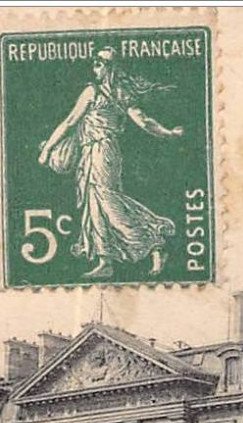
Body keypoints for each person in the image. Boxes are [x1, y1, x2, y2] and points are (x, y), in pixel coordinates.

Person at [37, 47, 185, 280]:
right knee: (95, 203)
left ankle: (154, 242)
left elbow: (69, 122)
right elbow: (144, 121)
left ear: (111, 67)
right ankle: (105, 260)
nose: (96, 66)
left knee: (107, 201)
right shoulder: (119, 93)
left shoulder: (94, 91)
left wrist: (47, 148)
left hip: (101, 151)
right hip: (94, 152)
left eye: (101, 62)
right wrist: (168, 133)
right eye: (95, 61)